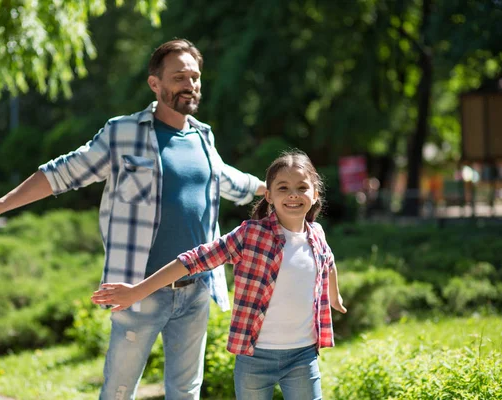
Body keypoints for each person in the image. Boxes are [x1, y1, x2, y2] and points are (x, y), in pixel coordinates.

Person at [0, 39, 265, 400]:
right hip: (138, 290)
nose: (190, 84)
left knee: (186, 392)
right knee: (118, 391)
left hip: (197, 289)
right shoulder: (123, 133)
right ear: (155, 84)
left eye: (195, 76)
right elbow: (63, 172)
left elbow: (228, 179)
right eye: (179, 77)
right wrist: (0, 205)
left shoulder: (203, 137)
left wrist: (271, 190)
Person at [92, 150, 347, 400]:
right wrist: (137, 291)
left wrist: (333, 296)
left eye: (302, 187)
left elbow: (329, 262)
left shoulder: (317, 235)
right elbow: (193, 260)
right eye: (283, 188)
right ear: (268, 195)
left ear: (315, 195)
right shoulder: (250, 235)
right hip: (254, 357)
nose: (293, 195)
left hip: (303, 356)